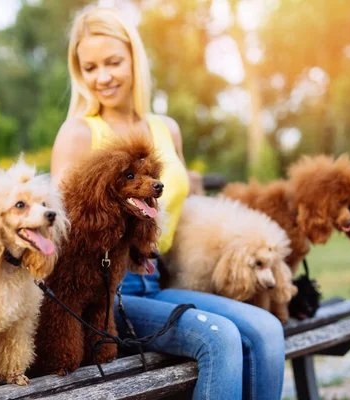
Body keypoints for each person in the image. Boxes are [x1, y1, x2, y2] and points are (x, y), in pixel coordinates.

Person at [50, 7, 285, 400]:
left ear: (134, 60)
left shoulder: (165, 128)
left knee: (266, 329)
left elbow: (186, 209)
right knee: (220, 339)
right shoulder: (78, 133)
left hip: (159, 280)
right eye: (90, 68)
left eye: (113, 62)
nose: (102, 76)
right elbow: (63, 225)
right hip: (109, 296)